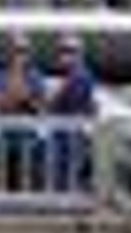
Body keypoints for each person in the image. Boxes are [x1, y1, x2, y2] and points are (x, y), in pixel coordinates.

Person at [41, 34, 101, 194]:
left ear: (79, 54)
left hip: (71, 136)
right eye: (61, 52)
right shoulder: (71, 77)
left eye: (69, 51)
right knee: (63, 176)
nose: (64, 56)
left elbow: (66, 104)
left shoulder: (81, 76)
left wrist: (50, 103)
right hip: (65, 135)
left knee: (67, 177)